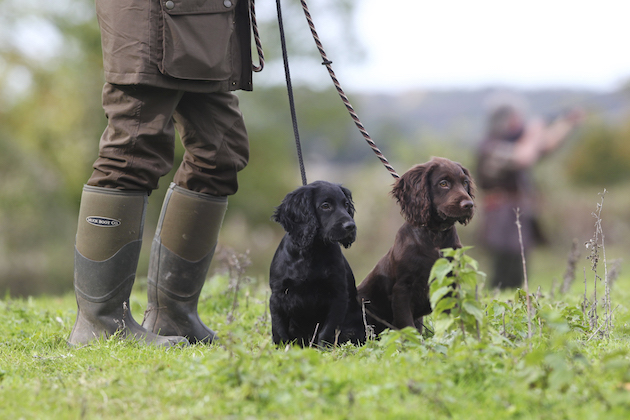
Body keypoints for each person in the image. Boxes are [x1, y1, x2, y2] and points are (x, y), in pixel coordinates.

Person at [68, 0, 256, 347]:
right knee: (134, 148)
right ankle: (101, 324)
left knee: (222, 153)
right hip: (149, 17)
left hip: (207, 17)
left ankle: (174, 315)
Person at [476, 96, 582, 289]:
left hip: (516, 213)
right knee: (503, 272)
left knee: (518, 271)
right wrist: (535, 131)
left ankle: (512, 310)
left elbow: (546, 145)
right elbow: (524, 157)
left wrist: (566, 123)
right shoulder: (491, 145)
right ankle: (498, 312)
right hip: (500, 216)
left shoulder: (516, 141)